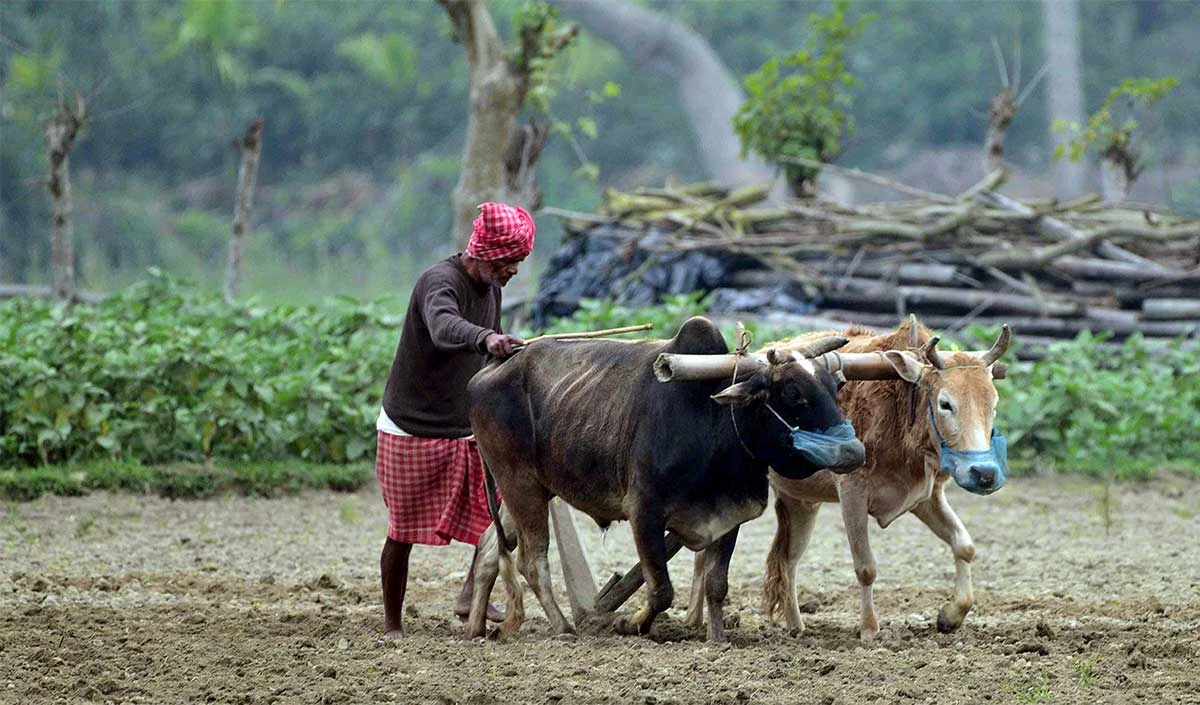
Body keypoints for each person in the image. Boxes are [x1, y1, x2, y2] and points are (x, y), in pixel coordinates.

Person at [375, 201, 534, 638]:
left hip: (464, 424)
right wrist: (487, 337)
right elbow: (445, 328)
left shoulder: (493, 288)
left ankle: (470, 595)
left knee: (496, 511)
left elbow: (487, 349)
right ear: (483, 252)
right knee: (401, 532)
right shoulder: (438, 283)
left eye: (519, 262)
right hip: (411, 425)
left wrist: (508, 354)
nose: (514, 269)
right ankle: (392, 623)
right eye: (508, 261)